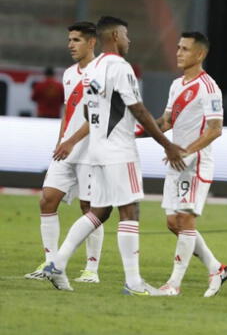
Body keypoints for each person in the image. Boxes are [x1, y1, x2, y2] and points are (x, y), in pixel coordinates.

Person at [43, 16, 186, 295]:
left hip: (96, 151)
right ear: (117, 36)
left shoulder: (92, 69)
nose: (129, 41)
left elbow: (87, 110)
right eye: (127, 35)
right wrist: (165, 144)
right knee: (130, 211)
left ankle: (57, 263)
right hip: (119, 151)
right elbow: (139, 110)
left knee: (100, 211)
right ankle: (134, 283)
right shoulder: (121, 67)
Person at [149, 32, 227, 297]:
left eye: (185, 49)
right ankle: (216, 267)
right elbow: (167, 121)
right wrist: (139, 128)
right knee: (173, 222)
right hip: (177, 162)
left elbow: (215, 129)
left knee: (185, 219)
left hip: (195, 163)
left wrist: (186, 151)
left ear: (200, 54)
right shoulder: (176, 85)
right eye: (178, 48)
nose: (178, 53)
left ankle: (173, 284)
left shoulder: (209, 88)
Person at [24, 22, 104, 284]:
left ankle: (91, 269)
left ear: (91, 42)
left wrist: (70, 142)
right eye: (69, 39)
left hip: (92, 150)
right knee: (47, 199)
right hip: (67, 149)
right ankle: (50, 262)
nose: (71, 44)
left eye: (77, 40)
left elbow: (97, 116)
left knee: (88, 208)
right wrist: (61, 142)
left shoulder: (102, 72)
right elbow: (69, 114)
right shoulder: (69, 74)